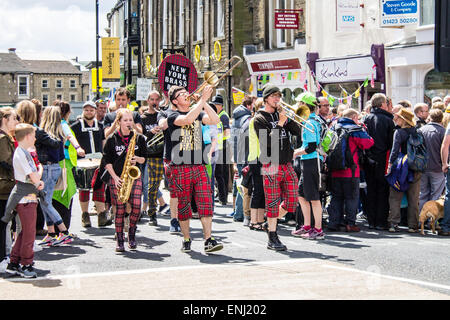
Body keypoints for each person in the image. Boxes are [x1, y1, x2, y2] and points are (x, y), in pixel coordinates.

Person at [166, 85, 223, 253]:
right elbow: (187, 120)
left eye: (186, 92)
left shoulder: (197, 111)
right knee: (184, 206)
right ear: (175, 101)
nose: (186, 95)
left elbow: (215, 120)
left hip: (199, 164)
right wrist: (202, 100)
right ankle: (186, 238)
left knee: (206, 203)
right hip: (180, 167)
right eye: (181, 94)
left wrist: (204, 103)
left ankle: (208, 240)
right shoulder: (172, 115)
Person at [253, 84, 301, 250]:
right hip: (270, 163)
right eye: (274, 96)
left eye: (279, 96)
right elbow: (267, 143)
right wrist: (280, 124)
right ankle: (272, 237)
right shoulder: (259, 119)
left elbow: (297, 131)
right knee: (273, 202)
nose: (278, 99)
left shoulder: (280, 115)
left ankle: (268, 223)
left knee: (292, 202)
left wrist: (287, 119)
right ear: (266, 98)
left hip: (286, 162)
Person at [103, 108, 147, 252]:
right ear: (119, 122)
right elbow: (106, 161)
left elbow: (144, 158)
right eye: (125, 120)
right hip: (117, 177)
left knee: (136, 206)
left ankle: (132, 233)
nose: (128, 123)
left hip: (134, 175)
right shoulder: (112, 139)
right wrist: (115, 178)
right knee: (120, 209)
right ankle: (120, 239)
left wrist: (138, 159)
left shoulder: (139, 138)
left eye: (130, 120)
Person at [4, 124, 44, 278]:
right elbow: (35, 177)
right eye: (33, 135)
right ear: (27, 136)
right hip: (26, 199)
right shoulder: (22, 154)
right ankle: (25, 264)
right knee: (29, 233)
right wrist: (39, 169)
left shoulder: (22, 152)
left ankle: (14, 262)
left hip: (25, 198)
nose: (35, 138)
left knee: (24, 232)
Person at [326, 109, 374, 232]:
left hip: (334, 169)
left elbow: (325, 146)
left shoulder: (333, 127)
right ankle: (350, 223)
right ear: (353, 117)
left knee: (336, 197)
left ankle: (334, 222)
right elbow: (368, 143)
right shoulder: (355, 129)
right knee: (351, 197)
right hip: (351, 170)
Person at [37, 106, 74, 246]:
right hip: (55, 167)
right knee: (45, 202)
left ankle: (64, 232)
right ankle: (51, 233)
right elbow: (60, 155)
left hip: (47, 168)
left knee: (46, 203)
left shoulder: (44, 134)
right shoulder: (58, 134)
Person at [291, 92, 324, 240]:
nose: (298, 106)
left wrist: (294, 153)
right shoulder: (309, 120)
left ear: (305, 105)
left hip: (311, 161)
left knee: (314, 197)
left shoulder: (310, 122)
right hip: (307, 161)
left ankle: (318, 229)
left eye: (300, 103)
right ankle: (306, 226)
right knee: (302, 195)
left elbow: (311, 147)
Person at [71, 101, 110, 228]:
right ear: (83, 111)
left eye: (91, 110)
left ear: (95, 111)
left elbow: (103, 141)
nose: (89, 112)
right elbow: (71, 142)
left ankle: (101, 215)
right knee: (84, 188)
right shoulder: (76, 126)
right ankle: (85, 215)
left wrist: (106, 156)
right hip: (83, 161)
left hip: (98, 160)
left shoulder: (99, 125)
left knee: (99, 188)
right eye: (87, 110)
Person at [363, 93, 395, 230]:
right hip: (383, 158)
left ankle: (371, 220)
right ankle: (381, 221)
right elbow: (391, 143)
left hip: (368, 158)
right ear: (383, 104)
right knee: (382, 191)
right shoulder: (388, 120)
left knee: (371, 190)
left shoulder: (366, 118)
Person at [387, 108, 422, 233]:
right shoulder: (417, 131)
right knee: (414, 197)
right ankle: (413, 225)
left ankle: (393, 223)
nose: (395, 119)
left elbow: (395, 150)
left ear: (403, 120)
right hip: (416, 167)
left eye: (397, 117)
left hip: (401, 167)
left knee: (395, 195)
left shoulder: (399, 132)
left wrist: (390, 165)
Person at [52, 101, 85, 231]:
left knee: (55, 197)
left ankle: (55, 229)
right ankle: (63, 230)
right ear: (68, 112)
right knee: (65, 196)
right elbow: (70, 136)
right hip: (65, 164)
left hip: (57, 162)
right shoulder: (63, 124)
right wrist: (78, 148)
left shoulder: (50, 125)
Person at [141, 91, 165, 227]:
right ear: (148, 100)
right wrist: (151, 132)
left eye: (157, 99)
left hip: (165, 154)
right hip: (151, 155)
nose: (154, 102)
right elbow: (140, 136)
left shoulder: (162, 115)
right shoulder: (143, 118)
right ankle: (152, 213)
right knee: (152, 186)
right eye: (152, 99)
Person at [230, 95, 255, 223]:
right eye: (253, 105)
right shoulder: (247, 118)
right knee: (244, 186)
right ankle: (240, 214)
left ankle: (237, 213)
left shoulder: (236, 117)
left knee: (239, 184)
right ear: (248, 106)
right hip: (244, 155)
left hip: (237, 154)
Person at [0, 107, 19, 264]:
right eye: (14, 118)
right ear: (5, 120)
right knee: (3, 223)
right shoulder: (2, 139)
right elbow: (7, 162)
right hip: (3, 187)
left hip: (6, 186)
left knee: (6, 224)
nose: (17, 122)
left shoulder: (7, 138)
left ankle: (5, 254)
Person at [418, 109, 445, 213]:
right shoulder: (442, 131)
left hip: (422, 166)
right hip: (438, 168)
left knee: (423, 194)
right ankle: (431, 221)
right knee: (436, 196)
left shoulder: (421, 130)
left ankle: (422, 218)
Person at [212, 94, 231, 206]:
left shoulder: (223, 116)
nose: (214, 106)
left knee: (221, 173)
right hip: (219, 146)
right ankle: (221, 195)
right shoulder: (218, 114)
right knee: (219, 173)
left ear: (220, 105)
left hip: (223, 146)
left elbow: (227, 132)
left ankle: (223, 198)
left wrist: (218, 138)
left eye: (215, 104)